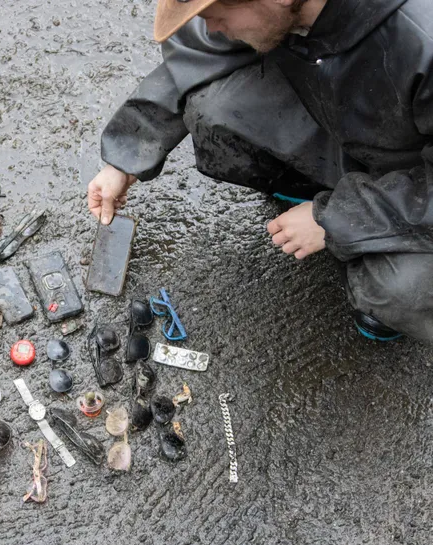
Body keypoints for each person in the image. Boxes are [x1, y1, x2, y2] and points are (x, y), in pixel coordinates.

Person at [88, 0, 433, 342]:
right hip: (354, 126)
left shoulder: (422, 40)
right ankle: (312, 185)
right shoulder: (277, 8)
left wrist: (330, 217)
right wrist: (126, 157)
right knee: (214, 106)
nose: (212, 27)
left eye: (217, 16)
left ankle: (384, 300)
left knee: (401, 289)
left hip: (418, 183)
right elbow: (197, 54)